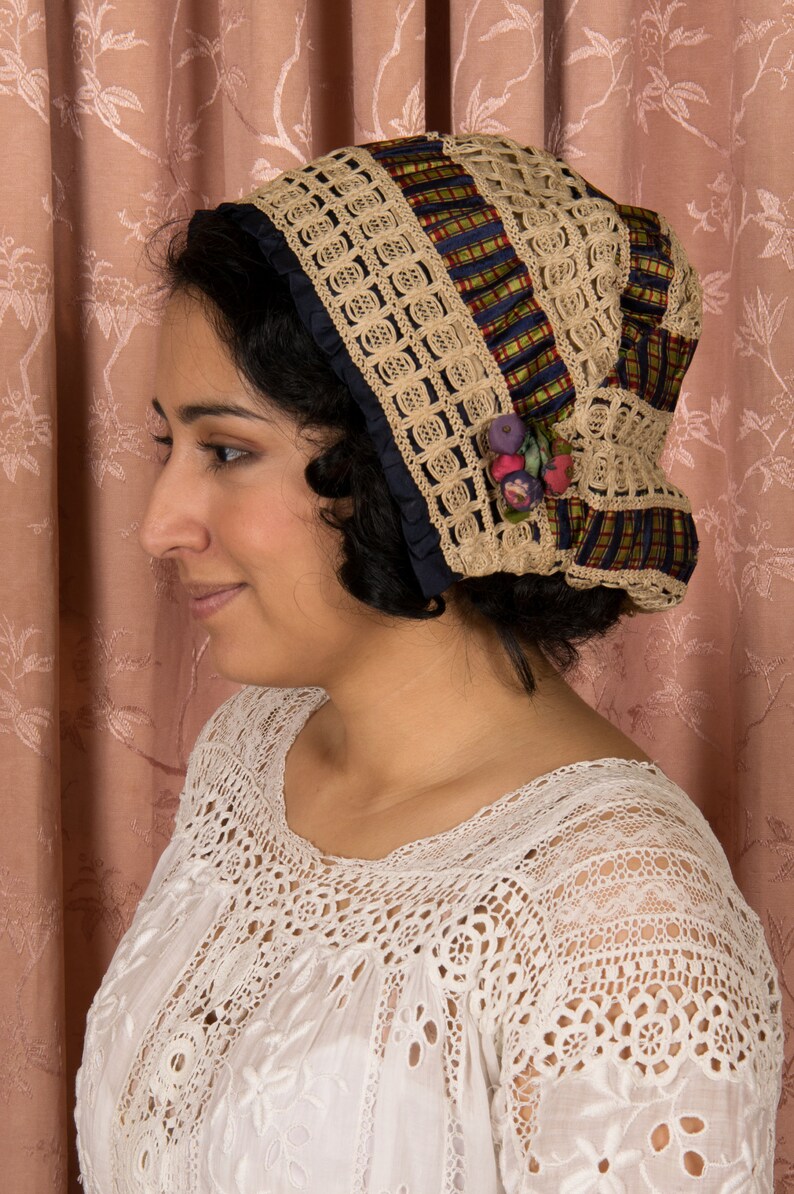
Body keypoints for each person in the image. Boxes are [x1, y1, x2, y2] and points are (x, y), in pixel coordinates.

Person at [74, 133, 783, 1192]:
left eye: (226, 451)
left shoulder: (620, 925)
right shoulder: (250, 758)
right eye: (164, 444)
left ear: (407, 470)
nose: (160, 524)